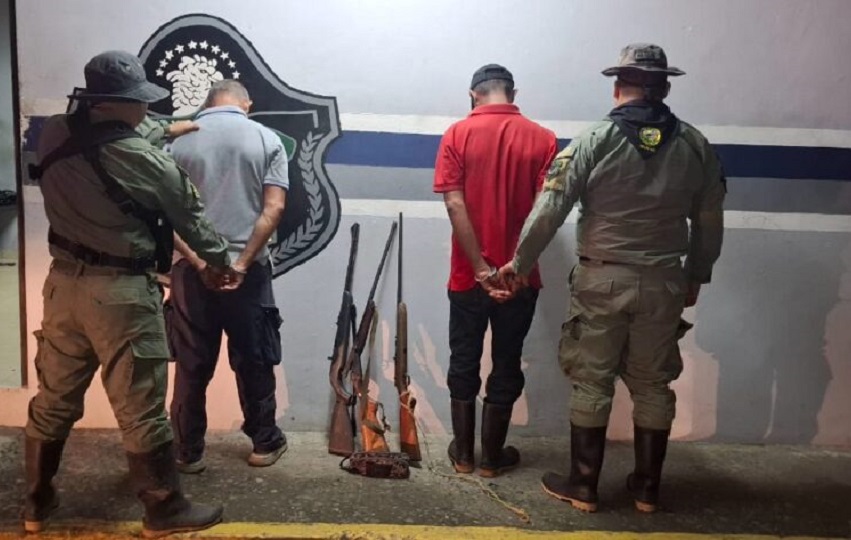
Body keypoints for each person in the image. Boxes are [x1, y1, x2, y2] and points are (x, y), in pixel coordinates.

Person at [500, 44, 726, 513]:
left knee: (591, 381)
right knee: (652, 384)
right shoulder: (695, 145)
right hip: (665, 281)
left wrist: (518, 266)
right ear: (663, 87)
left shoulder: (595, 140)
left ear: (618, 85)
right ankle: (647, 488)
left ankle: (583, 485)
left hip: (601, 281)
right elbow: (709, 219)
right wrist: (696, 275)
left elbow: (550, 209)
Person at [25, 50, 232, 537]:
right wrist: (221, 264)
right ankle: (164, 510)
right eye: (141, 103)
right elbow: (193, 220)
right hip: (120, 296)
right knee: (140, 405)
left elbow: (108, 136)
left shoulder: (56, 130)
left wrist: (167, 127)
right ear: (121, 104)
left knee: (54, 396)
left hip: (63, 289)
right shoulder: (144, 161)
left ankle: (36, 502)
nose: (147, 110)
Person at [433, 64, 557, 477]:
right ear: (513, 92)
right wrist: (516, 268)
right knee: (508, 360)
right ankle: (493, 457)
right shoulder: (544, 139)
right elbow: (545, 212)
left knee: (463, 358)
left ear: (473, 94)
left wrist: (482, 270)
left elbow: (454, 205)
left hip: (469, 277)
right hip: (520, 279)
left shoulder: (457, 134)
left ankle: (464, 456)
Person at [167, 80, 288, 473]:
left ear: (209, 103)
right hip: (248, 273)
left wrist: (202, 264)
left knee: (192, 365)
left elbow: (165, 216)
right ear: (246, 104)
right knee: (254, 359)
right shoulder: (267, 139)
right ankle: (264, 444)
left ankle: (187, 452)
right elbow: (273, 211)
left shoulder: (178, 142)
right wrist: (240, 263)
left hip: (190, 271)